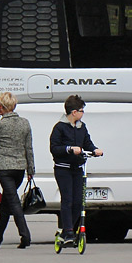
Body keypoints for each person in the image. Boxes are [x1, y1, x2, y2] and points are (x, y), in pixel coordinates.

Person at [0, 92, 35, 249]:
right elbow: (28, 148)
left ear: (1, 107)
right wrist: (31, 168)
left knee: (13, 201)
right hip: (19, 167)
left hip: (4, 167)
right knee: (7, 201)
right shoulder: (25, 123)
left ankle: (25, 235)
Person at [50, 95, 103, 246]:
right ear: (73, 112)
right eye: (81, 111)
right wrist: (69, 149)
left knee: (78, 202)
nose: (82, 113)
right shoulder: (59, 127)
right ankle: (68, 232)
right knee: (67, 200)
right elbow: (54, 148)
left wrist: (94, 150)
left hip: (78, 169)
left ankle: (69, 229)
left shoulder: (82, 127)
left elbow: (87, 143)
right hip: (63, 169)